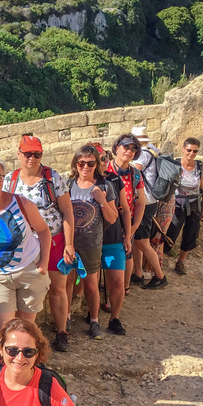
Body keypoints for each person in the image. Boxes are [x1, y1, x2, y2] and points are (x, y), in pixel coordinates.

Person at [3, 135, 76, 353]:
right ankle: (20, 340)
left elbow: (67, 211)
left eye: (37, 154)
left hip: (53, 239)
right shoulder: (10, 181)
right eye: (27, 154)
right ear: (19, 154)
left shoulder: (52, 178)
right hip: (24, 244)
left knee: (58, 288)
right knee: (21, 290)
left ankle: (61, 332)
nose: (32, 159)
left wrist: (69, 244)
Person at [0, 156, 51, 334]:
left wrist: (44, 262)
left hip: (29, 270)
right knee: (4, 331)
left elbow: (43, 231)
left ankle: (29, 361)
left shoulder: (21, 203)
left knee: (27, 330)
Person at [64, 145, 119, 339]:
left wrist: (101, 200)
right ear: (76, 164)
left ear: (96, 164)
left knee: (91, 285)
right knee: (68, 282)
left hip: (92, 244)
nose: (85, 167)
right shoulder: (68, 184)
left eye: (90, 163)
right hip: (70, 243)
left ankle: (94, 321)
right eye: (81, 163)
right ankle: (67, 316)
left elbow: (112, 218)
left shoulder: (104, 186)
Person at [100, 135, 138, 336]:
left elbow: (125, 210)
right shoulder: (76, 182)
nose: (101, 162)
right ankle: (92, 316)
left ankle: (114, 318)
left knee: (116, 280)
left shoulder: (114, 179)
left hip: (112, 239)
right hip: (90, 242)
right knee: (86, 281)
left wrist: (127, 235)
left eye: (103, 158)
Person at [130, 126, 169, 289]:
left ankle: (160, 277)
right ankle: (138, 274)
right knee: (137, 242)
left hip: (145, 203)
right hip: (148, 201)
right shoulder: (152, 152)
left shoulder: (144, 155)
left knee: (143, 242)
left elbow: (132, 171)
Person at [165, 137, 203, 275]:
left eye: (195, 151)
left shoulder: (199, 167)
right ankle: (159, 261)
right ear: (183, 149)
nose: (191, 153)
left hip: (195, 204)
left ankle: (180, 261)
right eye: (189, 150)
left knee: (190, 235)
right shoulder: (176, 165)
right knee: (170, 232)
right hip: (177, 204)